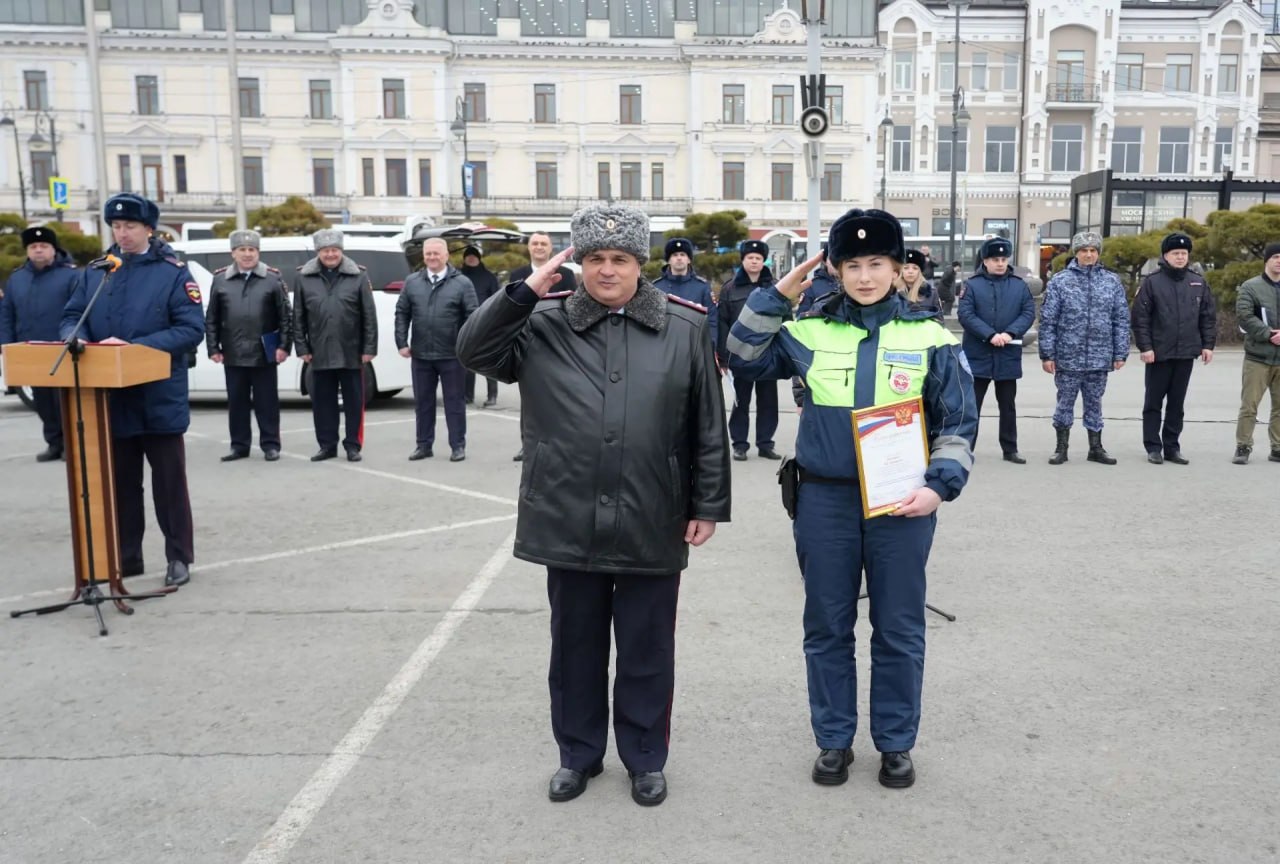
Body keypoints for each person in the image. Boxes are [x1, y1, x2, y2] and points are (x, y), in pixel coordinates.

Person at [456, 204, 731, 808]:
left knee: (646, 649)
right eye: (596, 258)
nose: (608, 270)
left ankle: (645, 757)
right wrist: (521, 294)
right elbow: (473, 352)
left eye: (621, 258)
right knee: (574, 648)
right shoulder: (541, 321)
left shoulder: (684, 327)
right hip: (567, 511)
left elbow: (708, 424)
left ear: (640, 264)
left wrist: (707, 503)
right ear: (578, 263)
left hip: (653, 512)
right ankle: (578, 755)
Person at [727, 208, 976, 790]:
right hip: (825, 502)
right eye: (853, 265)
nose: (865, 277)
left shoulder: (930, 337)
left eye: (877, 264)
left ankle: (895, 743)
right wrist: (780, 291)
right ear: (835, 270)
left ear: (897, 268)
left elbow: (959, 421)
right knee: (827, 627)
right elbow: (740, 354)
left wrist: (938, 487)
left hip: (902, 506)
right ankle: (834, 740)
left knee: (899, 629)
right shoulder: (809, 330)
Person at [60, 193, 204, 587]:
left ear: (149, 229)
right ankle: (127, 556)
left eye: (130, 227)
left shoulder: (173, 273)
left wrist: (135, 349)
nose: (122, 234)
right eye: (117, 226)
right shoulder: (98, 271)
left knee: (168, 484)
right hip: (111, 396)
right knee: (121, 485)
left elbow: (191, 329)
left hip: (158, 395)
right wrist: (75, 337)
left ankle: (179, 557)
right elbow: (73, 314)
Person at [1039, 232, 1129, 465]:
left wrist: (1120, 352)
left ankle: (1096, 448)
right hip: (1068, 356)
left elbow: (1120, 319)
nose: (1088, 254)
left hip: (1100, 356)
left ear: (1098, 253)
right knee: (1064, 404)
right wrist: (1047, 354)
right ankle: (1061, 448)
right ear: (1076, 253)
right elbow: (1048, 320)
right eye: (1083, 250)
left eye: (1093, 250)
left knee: (1095, 403)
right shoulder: (1060, 281)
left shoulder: (1111, 281)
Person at [204, 229, 292, 462]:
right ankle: (239, 446)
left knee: (267, 403)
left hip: (264, 352)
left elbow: (285, 316)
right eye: (242, 249)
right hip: (233, 352)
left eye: (251, 249)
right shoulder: (220, 280)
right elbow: (212, 317)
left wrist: (284, 346)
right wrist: (213, 347)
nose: (247, 254)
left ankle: (270, 445)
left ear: (258, 252)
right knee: (237, 403)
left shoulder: (272, 279)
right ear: (233, 253)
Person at [293, 228, 377, 463]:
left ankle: (353, 446)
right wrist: (302, 347)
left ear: (341, 251)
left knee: (354, 403)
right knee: (322, 403)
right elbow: (298, 316)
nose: (330, 254)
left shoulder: (358, 275)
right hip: (318, 351)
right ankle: (327, 445)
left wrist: (369, 348)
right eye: (325, 250)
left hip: (351, 351)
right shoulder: (303, 277)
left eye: (334, 250)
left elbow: (369, 316)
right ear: (318, 252)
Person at [1131, 232, 1216, 465]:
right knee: (1153, 403)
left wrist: (1207, 345)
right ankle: (1153, 446)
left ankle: (1172, 447)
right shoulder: (1152, 282)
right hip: (1159, 353)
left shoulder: (1197, 282)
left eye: (1184, 253)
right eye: (1175, 253)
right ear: (1165, 256)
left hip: (1186, 352)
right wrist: (1145, 347)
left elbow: (1207, 317)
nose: (1180, 257)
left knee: (1177, 404)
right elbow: (1140, 318)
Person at [0, 226, 79, 462]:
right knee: (42, 401)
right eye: (33, 247)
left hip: (61, 349)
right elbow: (7, 314)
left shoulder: (71, 276)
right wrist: (6, 345)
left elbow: (79, 311)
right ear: (27, 251)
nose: (38, 250)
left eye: (44, 246)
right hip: (30, 350)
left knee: (63, 400)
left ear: (54, 250)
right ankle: (54, 442)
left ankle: (71, 444)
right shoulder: (17, 279)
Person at [396, 237, 478, 463]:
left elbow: (473, 317)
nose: (432, 257)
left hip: (452, 355)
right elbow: (402, 312)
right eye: (428, 254)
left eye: (436, 253)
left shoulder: (462, 283)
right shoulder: (412, 282)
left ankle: (457, 445)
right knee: (423, 403)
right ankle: (423, 445)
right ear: (424, 256)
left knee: (454, 403)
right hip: (421, 354)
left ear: (446, 255)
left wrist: (466, 346)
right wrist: (401, 342)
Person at [957, 236, 1036, 463]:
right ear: (985, 261)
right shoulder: (972, 285)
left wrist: (1010, 333)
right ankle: (965, 449)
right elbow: (966, 315)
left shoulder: (1019, 285)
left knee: (1008, 406)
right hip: (978, 354)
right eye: (995, 259)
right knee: (972, 406)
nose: (1000, 263)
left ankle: (1010, 449)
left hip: (1007, 354)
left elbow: (1028, 313)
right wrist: (990, 335)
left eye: (1003, 259)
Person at [510, 232, 577, 462]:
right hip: (527, 340)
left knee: (561, 397)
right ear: (529, 248)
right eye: (535, 243)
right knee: (529, 398)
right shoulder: (517, 275)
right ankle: (527, 445)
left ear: (550, 248)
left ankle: (561, 444)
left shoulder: (566, 275)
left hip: (558, 341)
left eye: (543, 243)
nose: (539, 247)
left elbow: (573, 306)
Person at [718, 239, 783, 461]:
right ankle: (739, 444)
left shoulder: (775, 287)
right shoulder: (730, 288)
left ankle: (765, 444)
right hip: (740, 355)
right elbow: (723, 322)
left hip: (767, 355)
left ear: (763, 261)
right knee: (741, 402)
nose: (754, 261)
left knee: (768, 402)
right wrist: (724, 356)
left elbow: (785, 319)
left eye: (758, 258)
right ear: (743, 261)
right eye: (750, 258)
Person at [1231, 242, 1280, 464]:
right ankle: (1243, 446)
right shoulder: (1250, 287)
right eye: (1275, 257)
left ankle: (1277, 447)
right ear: (1267, 260)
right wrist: (1268, 334)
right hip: (1258, 357)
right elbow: (1245, 316)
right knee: (1249, 405)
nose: (1279, 261)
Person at [653, 237, 716, 350]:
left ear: (689, 260)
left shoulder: (702, 287)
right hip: (664, 347)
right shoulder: (657, 287)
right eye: (675, 255)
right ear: (669, 260)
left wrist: (710, 347)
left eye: (683, 255)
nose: (679, 258)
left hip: (695, 347)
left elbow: (711, 320)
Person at [459, 245, 500, 407]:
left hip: (486, 322)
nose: (471, 258)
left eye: (473, 256)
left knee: (488, 360)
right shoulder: (458, 276)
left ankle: (492, 395)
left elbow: (497, 299)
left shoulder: (489, 277)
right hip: (464, 323)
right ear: (464, 259)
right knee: (467, 361)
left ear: (479, 258)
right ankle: (467, 395)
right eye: (468, 256)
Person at [899, 248, 940, 316]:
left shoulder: (932, 293)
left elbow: (938, 318)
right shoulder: (891, 294)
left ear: (920, 272)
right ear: (900, 271)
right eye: (906, 268)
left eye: (915, 268)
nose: (910, 271)